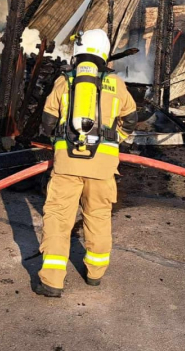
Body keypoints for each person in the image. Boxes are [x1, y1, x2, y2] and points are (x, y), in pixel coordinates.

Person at [35, 29, 138, 298]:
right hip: (103, 168)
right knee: (99, 217)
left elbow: (46, 122)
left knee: (58, 218)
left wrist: (59, 139)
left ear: (78, 52)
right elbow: (131, 119)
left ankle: (52, 281)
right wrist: (117, 141)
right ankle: (95, 274)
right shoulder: (117, 84)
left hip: (67, 164)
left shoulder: (64, 81)